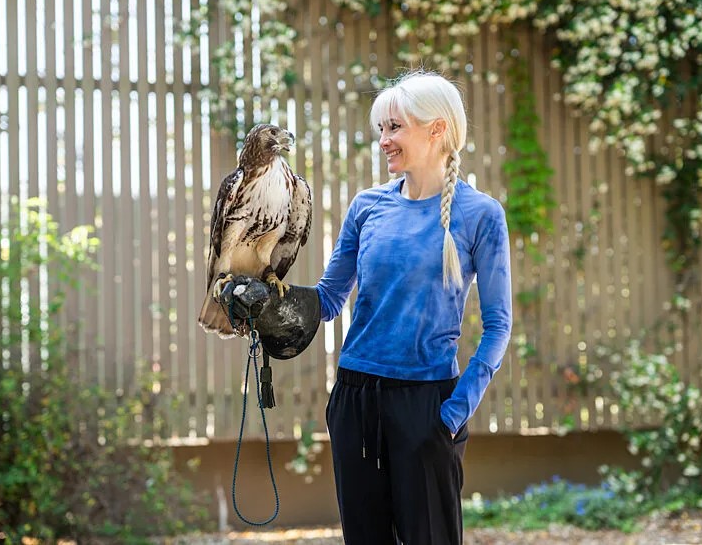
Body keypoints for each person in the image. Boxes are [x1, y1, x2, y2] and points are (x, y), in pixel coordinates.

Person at [219, 70, 512, 544]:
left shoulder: (481, 215)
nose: (384, 141)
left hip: (427, 404)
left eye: (394, 128)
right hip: (356, 401)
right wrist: (272, 307)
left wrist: (453, 414)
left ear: (436, 129)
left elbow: (499, 326)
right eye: (381, 129)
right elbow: (330, 298)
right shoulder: (367, 207)